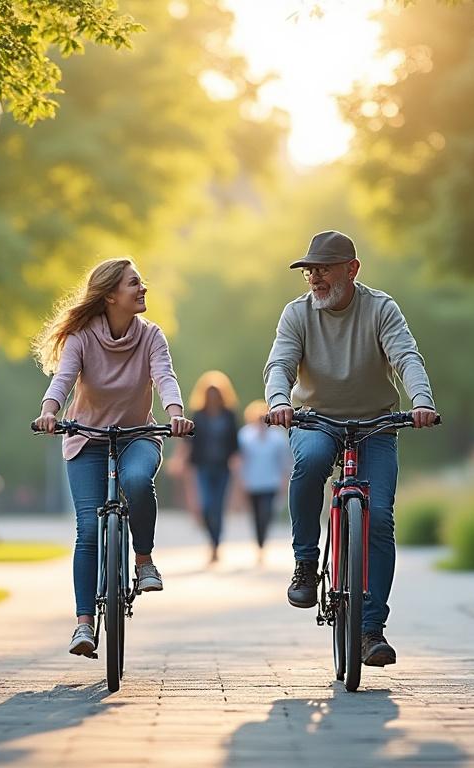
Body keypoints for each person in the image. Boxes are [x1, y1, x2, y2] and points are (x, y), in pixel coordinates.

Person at [264, 230, 439, 668]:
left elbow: (405, 357)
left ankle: (370, 631)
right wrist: (279, 402)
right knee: (311, 462)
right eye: (310, 271)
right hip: (315, 418)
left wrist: (421, 400)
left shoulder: (381, 308)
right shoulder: (297, 314)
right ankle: (306, 562)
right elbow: (280, 364)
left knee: (379, 517)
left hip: (375, 423)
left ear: (352, 269)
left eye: (324, 269)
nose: (315, 278)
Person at [32, 257, 193, 658]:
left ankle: (143, 561)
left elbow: (164, 376)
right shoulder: (82, 337)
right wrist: (50, 410)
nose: (143, 289)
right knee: (88, 530)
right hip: (86, 439)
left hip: (137, 436)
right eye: (134, 284)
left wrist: (175, 415)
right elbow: (64, 378)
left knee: (137, 481)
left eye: (141, 282)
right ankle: (84, 625)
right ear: (109, 296)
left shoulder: (151, 336)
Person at [182, 370, 240, 564]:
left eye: (216, 392)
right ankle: (212, 540)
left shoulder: (229, 415)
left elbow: (235, 442)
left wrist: (237, 461)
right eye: (210, 392)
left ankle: (216, 545)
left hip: (223, 467)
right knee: (206, 506)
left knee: (218, 507)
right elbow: (190, 442)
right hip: (203, 466)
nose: (213, 396)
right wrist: (183, 461)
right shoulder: (198, 415)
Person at [237, 399, 291, 563]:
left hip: (271, 483)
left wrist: (283, 482)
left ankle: (263, 542)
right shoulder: (245, 435)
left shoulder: (277, 438)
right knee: (256, 515)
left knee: (266, 514)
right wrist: (240, 482)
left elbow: (284, 462)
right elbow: (240, 461)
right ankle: (259, 543)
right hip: (251, 483)